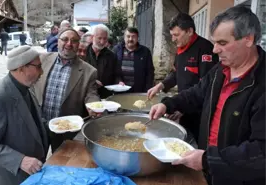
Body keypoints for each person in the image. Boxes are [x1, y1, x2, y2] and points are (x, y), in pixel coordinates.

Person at [149, 6, 266, 185]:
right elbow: (197, 93)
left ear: (248, 39)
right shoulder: (221, 70)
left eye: (223, 43)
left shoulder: (261, 83)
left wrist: (208, 160)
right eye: (215, 42)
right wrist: (168, 104)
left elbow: (261, 152)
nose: (214, 50)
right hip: (208, 172)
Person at [0, 45, 49, 185]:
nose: (41, 72)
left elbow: (31, 121)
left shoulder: (27, 86)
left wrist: (52, 126)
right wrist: (20, 160)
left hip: (29, 174)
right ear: (22, 68)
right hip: (9, 177)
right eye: (38, 67)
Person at [147, 13, 219, 141]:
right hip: (185, 103)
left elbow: (206, 87)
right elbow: (176, 73)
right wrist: (160, 85)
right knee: (186, 139)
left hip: (199, 111)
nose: (173, 39)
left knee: (196, 142)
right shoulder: (181, 49)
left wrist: (182, 109)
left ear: (189, 31)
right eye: (172, 35)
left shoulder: (205, 49)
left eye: (176, 35)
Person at [31, 28, 100, 152]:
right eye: (65, 39)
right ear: (58, 42)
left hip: (65, 130)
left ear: (78, 45)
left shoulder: (89, 71)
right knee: (36, 163)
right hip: (39, 125)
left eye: (74, 41)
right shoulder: (41, 59)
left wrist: (94, 106)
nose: (69, 44)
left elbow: (92, 94)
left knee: (61, 166)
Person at [85, 24, 124, 99]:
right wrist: (92, 81)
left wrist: (119, 82)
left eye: (105, 39)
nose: (102, 42)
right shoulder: (84, 53)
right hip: (86, 95)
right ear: (92, 37)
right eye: (99, 38)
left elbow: (117, 74)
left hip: (105, 96)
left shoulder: (112, 56)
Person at [113, 27, 154, 93]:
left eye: (133, 36)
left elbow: (150, 72)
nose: (130, 39)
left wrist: (148, 88)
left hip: (139, 90)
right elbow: (113, 70)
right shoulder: (117, 50)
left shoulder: (145, 51)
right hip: (121, 89)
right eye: (128, 36)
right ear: (124, 37)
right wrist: (118, 81)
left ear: (137, 38)